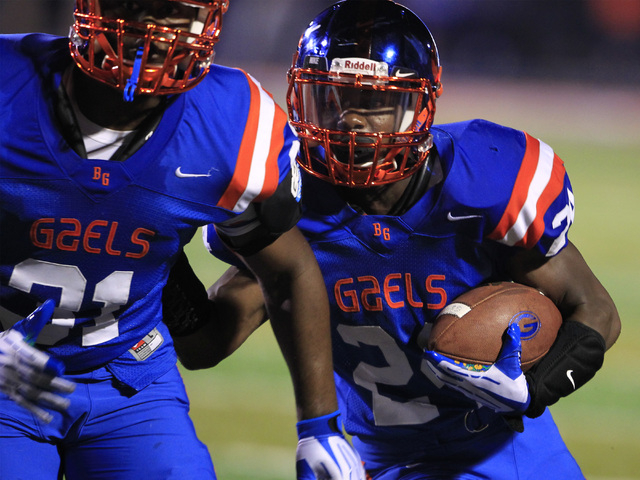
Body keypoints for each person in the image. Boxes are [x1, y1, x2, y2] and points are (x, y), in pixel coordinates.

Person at [164, 1, 622, 479]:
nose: (351, 122)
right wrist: (163, 252)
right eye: (332, 100)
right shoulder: (291, 203)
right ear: (299, 98)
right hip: (380, 461)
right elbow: (207, 344)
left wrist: (535, 389)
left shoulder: (483, 182)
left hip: (505, 451)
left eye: (374, 103)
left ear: (420, 106)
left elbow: (595, 308)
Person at [0, 1, 364, 479]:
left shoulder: (231, 121)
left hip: (129, 374)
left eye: (177, 12)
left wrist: (320, 426)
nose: (159, 29)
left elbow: (289, 270)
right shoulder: (9, 85)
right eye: (140, 5)